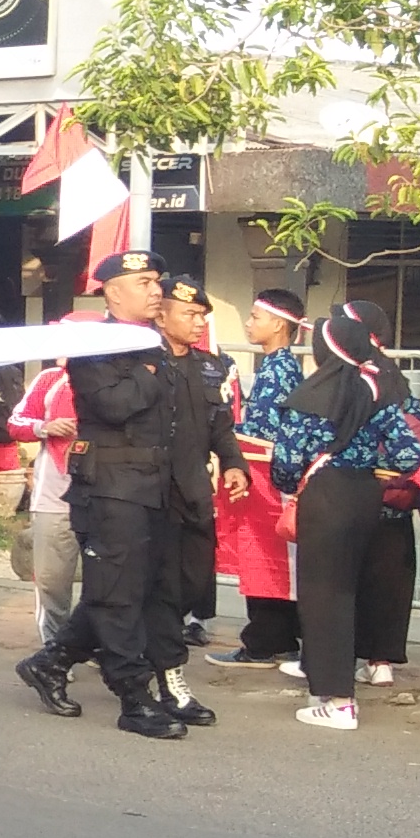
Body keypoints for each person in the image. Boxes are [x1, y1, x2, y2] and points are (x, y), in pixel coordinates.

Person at [17, 250, 193, 739]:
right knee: (116, 597)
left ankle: (51, 663)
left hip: (154, 486)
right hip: (112, 486)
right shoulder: (97, 344)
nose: (155, 290)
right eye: (143, 282)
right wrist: (151, 368)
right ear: (113, 292)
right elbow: (115, 404)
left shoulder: (155, 343)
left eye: (157, 280)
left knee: (129, 589)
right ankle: (132, 697)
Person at [268, 301, 420, 731]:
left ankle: (337, 699)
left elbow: (285, 468)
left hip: (325, 497)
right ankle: (339, 687)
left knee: (323, 597)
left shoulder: (307, 399)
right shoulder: (375, 395)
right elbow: (409, 453)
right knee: (345, 592)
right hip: (366, 494)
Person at [149, 275, 249, 717]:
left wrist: (234, 462)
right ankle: (169, 680)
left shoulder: (210, 366)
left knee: (192, 583)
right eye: (188, 314)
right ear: (161, 314)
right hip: (149, 493)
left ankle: (57, 657)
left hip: (193, 491)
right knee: (161, 590)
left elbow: (220, 424)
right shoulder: (141, 361)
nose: (197, 323)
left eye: (201, 316)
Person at [206, 289, 309, 671]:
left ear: (279, 324)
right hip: (262, 473)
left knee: (265, 556)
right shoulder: (277, 366)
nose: (248, 324)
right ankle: (274, 637)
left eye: (255, 317)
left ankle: (265, 640)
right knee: (266, 557)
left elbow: (264, 432)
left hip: (265, 477)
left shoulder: (278, 370)